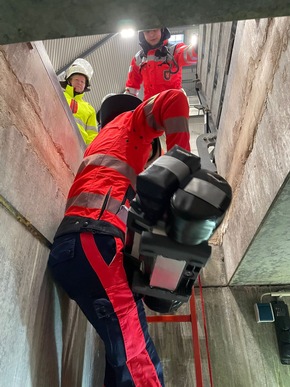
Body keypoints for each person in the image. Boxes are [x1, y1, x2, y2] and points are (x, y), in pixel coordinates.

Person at [47, 89, 191, 387]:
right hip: (95, 240)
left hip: (79, 247)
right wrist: (182, 173)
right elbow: (174, 98)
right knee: (139, 362)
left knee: (123, 358)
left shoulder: (107, 151)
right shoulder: (131, 124)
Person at [125, 27, 198, 101]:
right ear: (142, 34)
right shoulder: (139, 58)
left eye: (155, 29)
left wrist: (196, 48)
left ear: (162, 29)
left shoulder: (173, 51)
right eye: (147, 31)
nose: (151, 34)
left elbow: (188, 54)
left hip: (173, 102)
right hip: (151, 104)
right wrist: (125, 103)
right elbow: (131, 86)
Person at [60, 58, 98, 145]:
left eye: (82, 82)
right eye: (77, 80)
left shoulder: (90, 109)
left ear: (85, 86)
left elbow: (92, 135)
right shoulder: (58, 94)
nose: (80, 83)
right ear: (69, 81)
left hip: (77, 147)